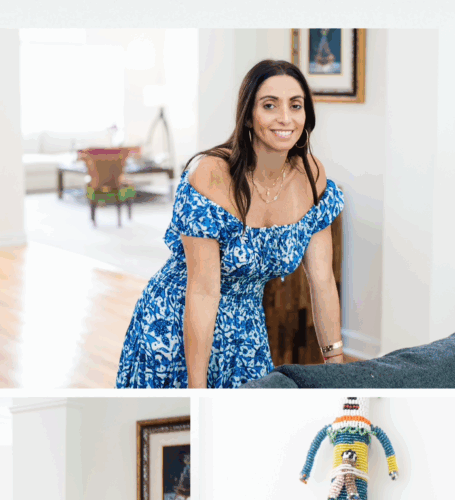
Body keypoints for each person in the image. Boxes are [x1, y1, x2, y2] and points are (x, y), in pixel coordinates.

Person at [116, 59, 345, 389]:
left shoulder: (311, 176)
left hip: (246, 333)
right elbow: (203, 291)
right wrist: (198, 391)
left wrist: (337, 368)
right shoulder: (210, 175)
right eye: (270, 105)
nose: (285, 118)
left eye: (296, 105)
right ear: (249, 115)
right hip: (176, 324)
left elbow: (322, 280)